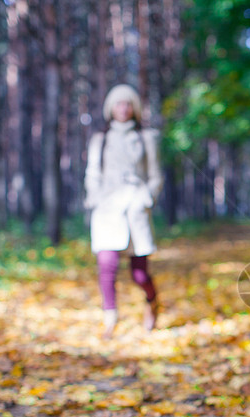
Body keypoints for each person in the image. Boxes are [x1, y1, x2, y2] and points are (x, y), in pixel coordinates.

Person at [84, 84, 163, 338]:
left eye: (128, 104)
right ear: (111, 107)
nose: (123, 108)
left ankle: (151, 301)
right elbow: (93, 173)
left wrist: (146, 198)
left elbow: (155, 175)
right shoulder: (100, 139)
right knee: (106, 266)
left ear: (135, 107)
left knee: (139, 273)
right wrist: (95, 197)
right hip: (107, 210)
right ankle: (111, 318)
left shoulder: (147, 137)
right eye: (119, 104)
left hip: (135, 209)